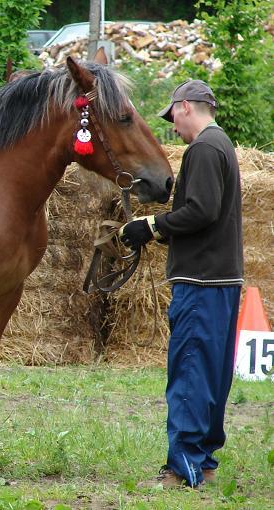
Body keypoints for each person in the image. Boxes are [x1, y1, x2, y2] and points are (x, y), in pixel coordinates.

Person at [120, 80, 243, 488]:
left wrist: (151, 225)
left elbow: (201, 211)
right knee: (211, 375)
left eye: (172, 115)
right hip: (221, 280)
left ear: (187, 106)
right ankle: (204, 461)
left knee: (190, 371)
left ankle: (182, 467)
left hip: (201, 280)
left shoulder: (204, 149)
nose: (172, 126)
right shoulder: (222, 144)